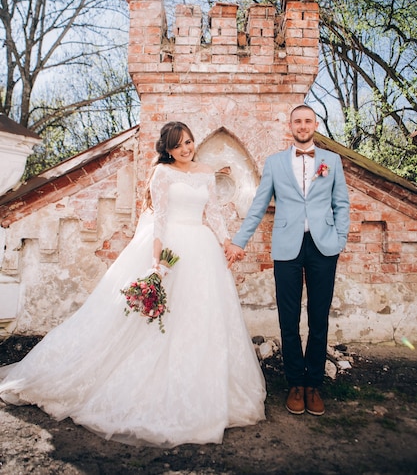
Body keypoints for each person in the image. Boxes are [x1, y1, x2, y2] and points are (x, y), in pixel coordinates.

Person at [0, 121, 266, 447]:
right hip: (170, 247)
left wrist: (226, 241)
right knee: (156, 322)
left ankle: (201, 386)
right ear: (168, 149)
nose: (186, 148)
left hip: (203, 250)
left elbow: (212, 212)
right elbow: (160, 220)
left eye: (189, 142)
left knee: (201, 318)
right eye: (179, 144)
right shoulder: (162, 174)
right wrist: (156, 263)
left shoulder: (206, 171)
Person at [226, 105, 350, 416]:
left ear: (315, 124)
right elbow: (258, 205)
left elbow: (341, 204)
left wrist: (340, 240)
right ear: (290, 126)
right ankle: (295, 382)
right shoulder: (275, 163)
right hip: (286, 247)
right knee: (288, 317)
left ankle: (314, 384)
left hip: (323, 246)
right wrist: (239, 241)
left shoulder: (332, 161)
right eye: (298, 121)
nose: (303, 126)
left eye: (308, 121)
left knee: (319, 317)